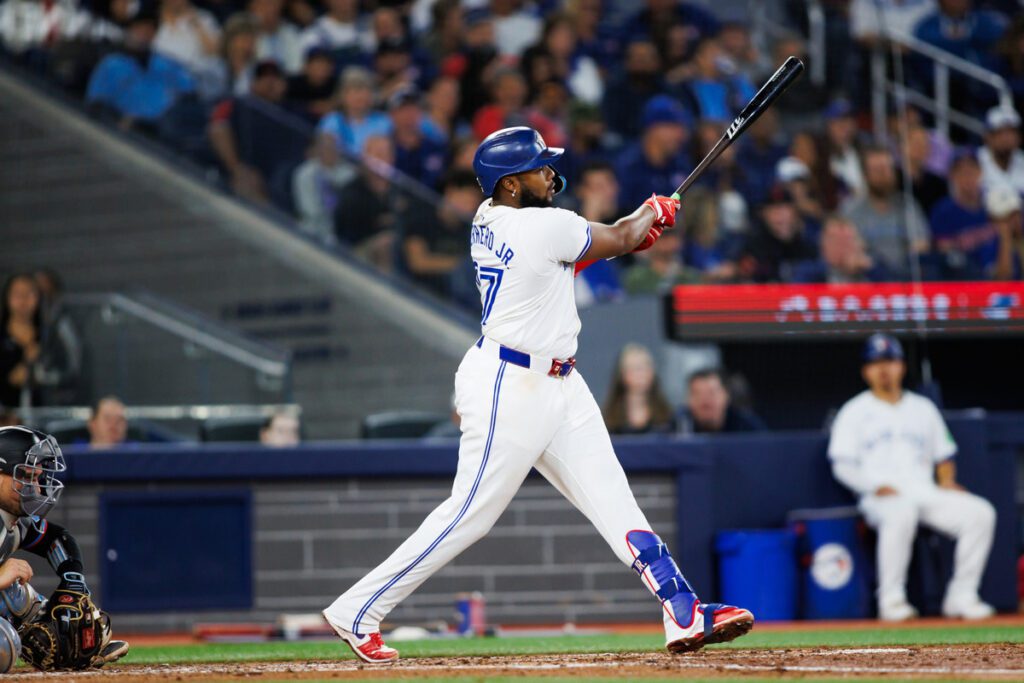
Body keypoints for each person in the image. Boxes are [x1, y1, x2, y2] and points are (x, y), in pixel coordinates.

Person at [322, 126, 754, 663]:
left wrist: (641, 226)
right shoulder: (540, 225)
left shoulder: (493, 219)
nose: (550, 172)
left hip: (558, 383)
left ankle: (681, 608)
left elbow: (587, 250)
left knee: (613, 498)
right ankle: (357, 610)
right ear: (507, 185)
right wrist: (651, 213)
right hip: (511, 385)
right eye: (537, 166)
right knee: (470, 515)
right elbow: (617, 237)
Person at [828, 334, 997, 621]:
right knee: (900, 512)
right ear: (865, 370)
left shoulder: (922, 408)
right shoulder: (854, 410)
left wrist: (946, 481)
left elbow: (944, 455)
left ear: (901, 366)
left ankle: (962, 596)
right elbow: (841, 464)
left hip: (923, 489)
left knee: (980, 513)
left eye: (890, 361)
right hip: (880, 495)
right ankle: (891, 601)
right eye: (876, 363)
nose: (883, 369)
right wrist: (871, 485)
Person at [0, 426, 129, 671]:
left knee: (15, 596)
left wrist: (73, 584)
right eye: (25, 476)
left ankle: (36, 622)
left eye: (37, 478)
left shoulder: (12, 520)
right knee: (2, 645)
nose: (35, 489)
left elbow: (55, 538)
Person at [840, 145, 930, 279]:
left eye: (887, 169)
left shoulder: (906, 205)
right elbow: (846, 251)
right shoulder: (851, 209)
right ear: (866, 175)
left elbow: (922, 242)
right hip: (866, 280)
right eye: (877, 170)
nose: (884, 175)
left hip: (904, 278)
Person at [400, 169, 479, 296]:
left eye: (473, 204)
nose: (469, 208)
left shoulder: (467, 232)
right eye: (466, 200)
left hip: (450, 299)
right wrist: (461, 266)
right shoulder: (422, 217)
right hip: (413, 291)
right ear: (450, 192)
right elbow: (418, 262)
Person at [930, 152, 996, 278]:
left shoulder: (995, 205)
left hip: (999, 277)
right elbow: (942, 248)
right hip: (961, 278)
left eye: (971, 171)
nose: (967, 177)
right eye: (961, 172)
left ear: (980, 172)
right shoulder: (943, 210)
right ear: (952, 176)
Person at [602, 343, 675, 435]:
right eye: (636, 368)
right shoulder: (608, 420)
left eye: (646, 367)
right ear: (622, 375)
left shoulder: (668, 418)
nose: (642, 374)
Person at [793, 215, 889, 284]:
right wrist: (831, 268)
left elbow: (896, 287)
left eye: (848, 240)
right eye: (837, 241)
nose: (843, 247)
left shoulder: (873, 266)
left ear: (860, 244)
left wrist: (870, 269)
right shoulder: (808, 270)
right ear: (823, 244)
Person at [0, 274, 43, 409]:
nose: (23, 299)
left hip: (43, 412)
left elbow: (68, 372)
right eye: (18, 293)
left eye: (29, 293)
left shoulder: (50, 335)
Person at [678, 368, 766, 435]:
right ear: (688, 399)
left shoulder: (748, 427)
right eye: (697, 393)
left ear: (726, 395)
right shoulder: (678, 426)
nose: (704, 399)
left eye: (711, 392)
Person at [978, 105, 1024, 194]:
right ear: (987, 136)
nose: (1006, 138)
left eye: (1011, 132)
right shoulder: (976, 160)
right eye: (1000, 132)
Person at [987, 184, 1024, 280]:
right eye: (1006, 217)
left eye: (1016, 214)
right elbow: (1003, 278)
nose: (1015, 221)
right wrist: (1005, 239)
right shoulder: (989, 244)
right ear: (993, 220)